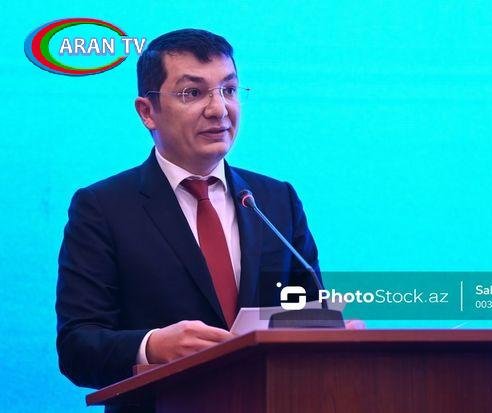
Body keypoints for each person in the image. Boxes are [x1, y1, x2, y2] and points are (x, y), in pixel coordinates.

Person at [55, 28, 324, 403]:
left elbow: (307, 310)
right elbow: (77, 346)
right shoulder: (103, 208)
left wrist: (329, 330)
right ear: (147, 112)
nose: (219, 109)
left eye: (229, 90)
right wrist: (152, 346)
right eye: (192, 93)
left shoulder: (276, 200)